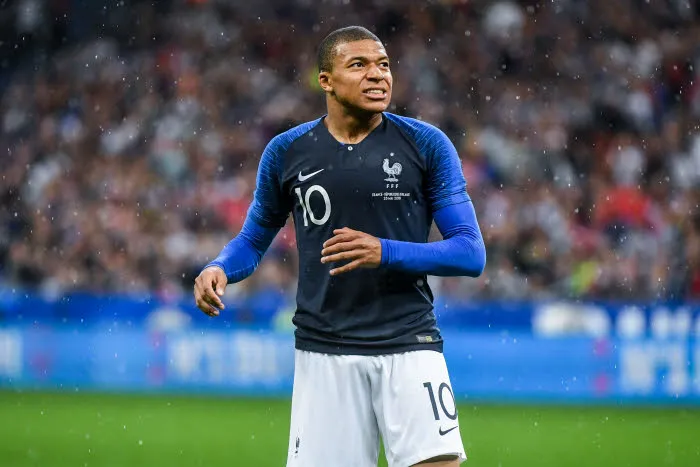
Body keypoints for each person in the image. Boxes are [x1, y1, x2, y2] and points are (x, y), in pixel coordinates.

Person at [194, 25, 486, 467]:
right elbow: (253, 240)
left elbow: (470, 252)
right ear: (325, 81)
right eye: (359, 65)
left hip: (410, 343)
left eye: (384, 64)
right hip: (324, 348)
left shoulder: (426, 144)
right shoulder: (287, 151)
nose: (378, 75)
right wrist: (218, 267)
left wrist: (385, 251)